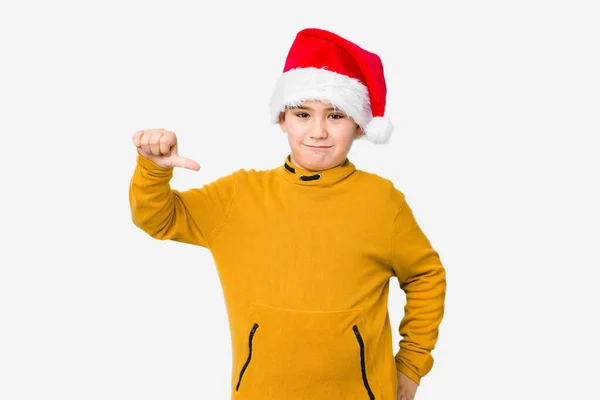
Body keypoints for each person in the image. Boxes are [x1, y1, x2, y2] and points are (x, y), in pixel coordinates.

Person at [129, 27, 446, 400]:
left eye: (336, 116)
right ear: (283, 119)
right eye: (302, 114)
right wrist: (154, 170)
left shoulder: (382, 201)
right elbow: (159, 219)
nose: (318, 131)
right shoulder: (239, 196)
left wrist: (410, 365)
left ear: (359, 126)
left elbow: (426, 276)